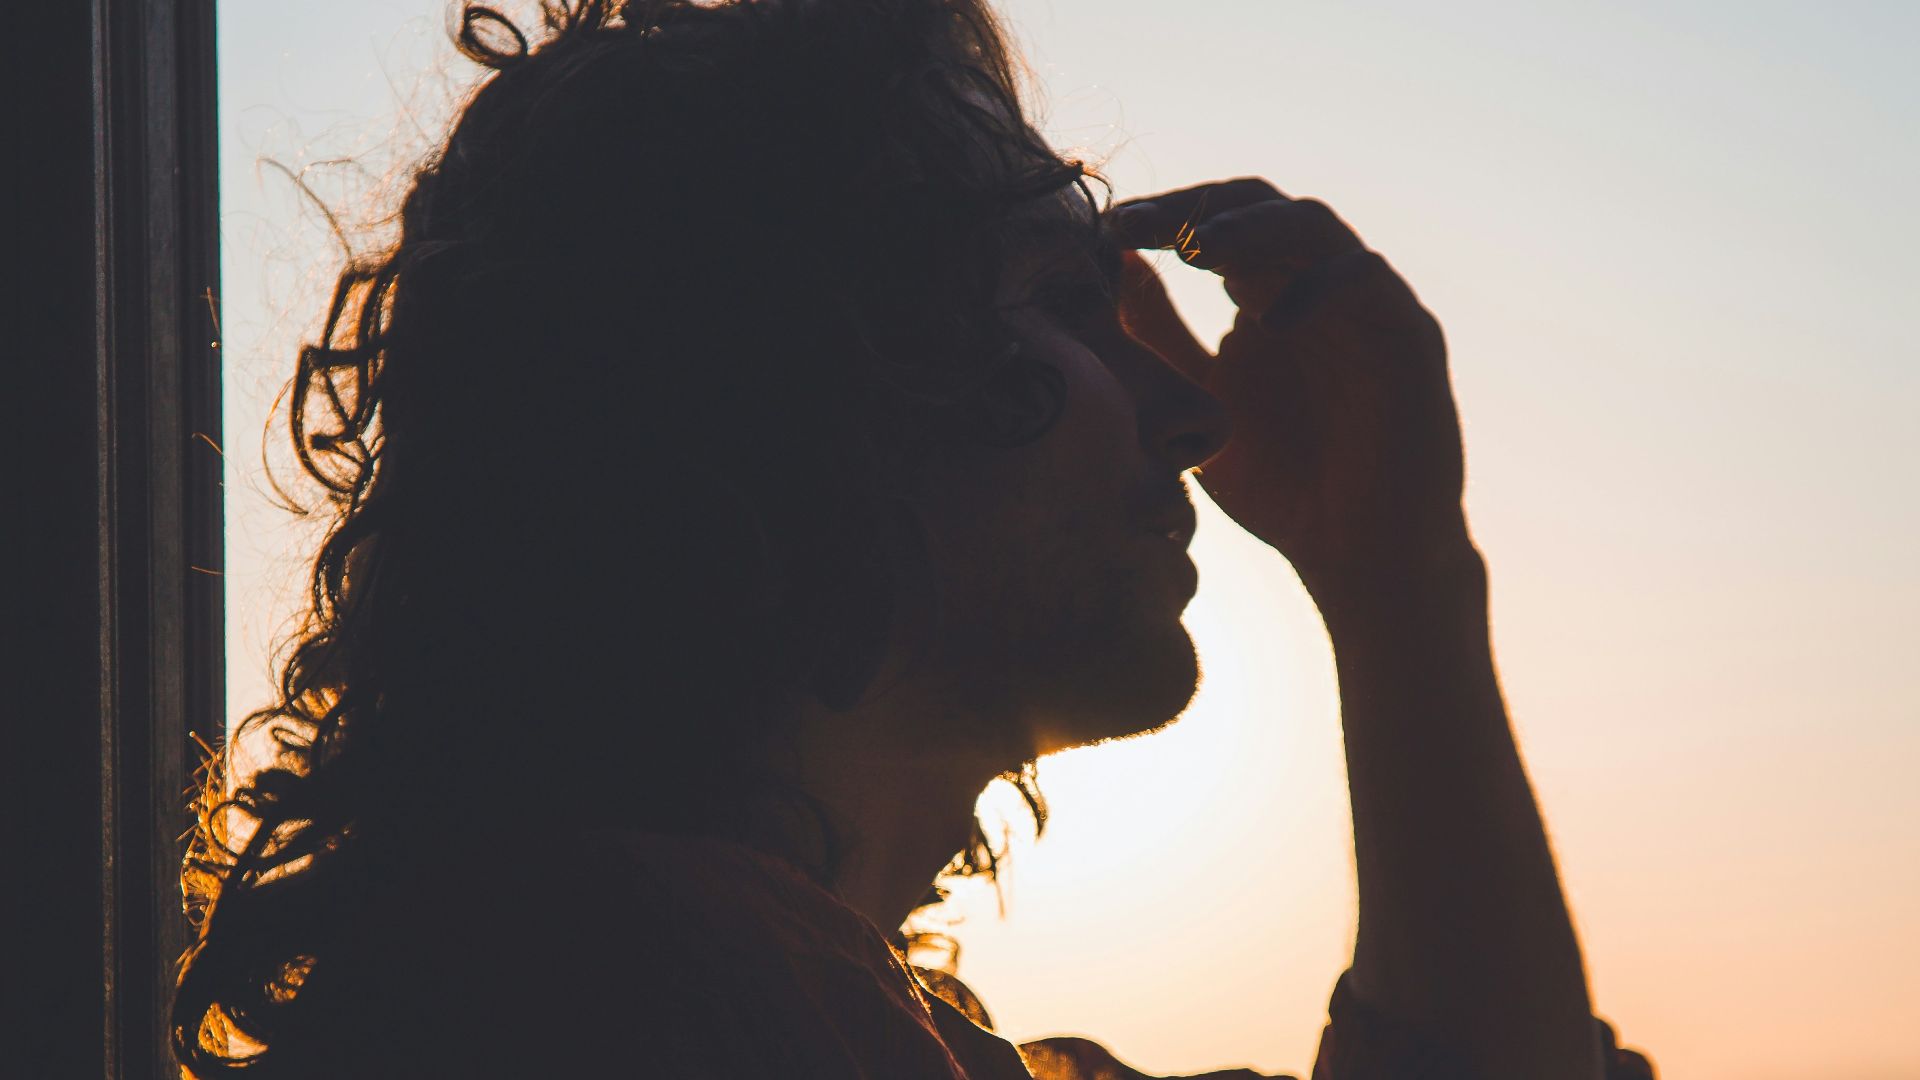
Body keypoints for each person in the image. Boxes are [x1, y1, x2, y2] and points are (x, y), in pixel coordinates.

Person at [172, 1, 1657, 1077]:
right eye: (1069, 304)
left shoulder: (740, 990)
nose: (1192, 412)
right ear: (805, 373)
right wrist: (1401, 582)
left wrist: (1392, 572)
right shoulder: (628, 1000)